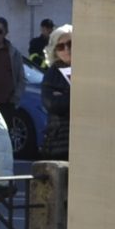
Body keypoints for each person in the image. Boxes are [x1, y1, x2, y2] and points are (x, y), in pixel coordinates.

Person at [41, 24, 73, 159]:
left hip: (87, 139)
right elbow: (52, 104)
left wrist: (64, 96)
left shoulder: (90, 70)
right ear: (55, 51)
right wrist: (73, 96)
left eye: (70, 44)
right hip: (59, 144)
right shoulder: (52, 74)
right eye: (60, 47)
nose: (66, 49)